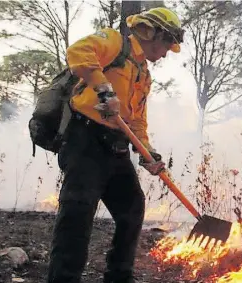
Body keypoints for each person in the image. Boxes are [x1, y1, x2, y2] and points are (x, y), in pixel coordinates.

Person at [46, 7, 184, 283]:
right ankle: (63, 278)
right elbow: (78, 52)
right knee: (78, 213)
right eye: (168, 43)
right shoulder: (113, 42)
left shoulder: (143, 74)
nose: (168, 52)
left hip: (116, 146)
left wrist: (147, 153)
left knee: (132, 207)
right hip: (85, 140)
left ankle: (119, 276)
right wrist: (104, 89)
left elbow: (137, 121)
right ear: (151, 32)